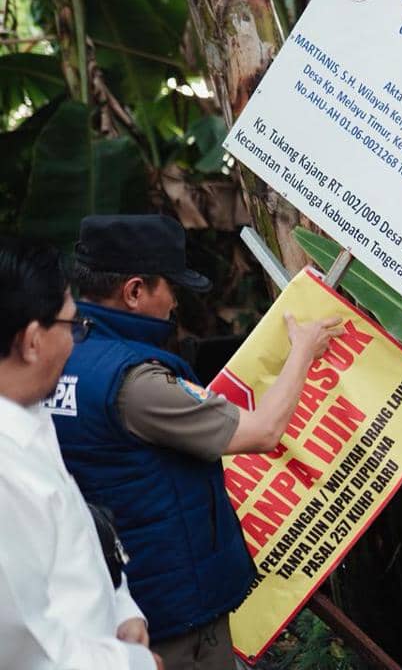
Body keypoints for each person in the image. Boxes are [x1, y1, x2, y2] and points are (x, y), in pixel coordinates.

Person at [47, 215, 341, 670]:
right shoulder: (135, 383)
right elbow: (262, 431)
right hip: (171, 620)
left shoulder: (58, 354)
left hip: (110, 603)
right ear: (135, 291)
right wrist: (302, 349)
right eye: (171, 287)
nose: (175, 302)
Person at [0, 235, 161, 670]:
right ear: (33, 340)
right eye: (73, 326)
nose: (75, 341)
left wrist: (120, 607)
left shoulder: (29, 410)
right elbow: (28, 649)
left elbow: (72, 529)